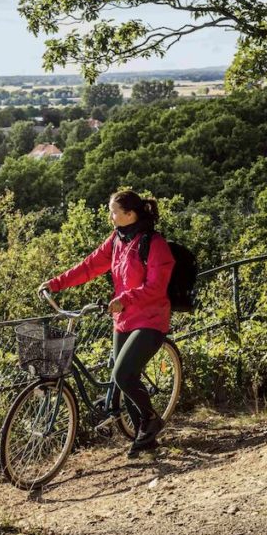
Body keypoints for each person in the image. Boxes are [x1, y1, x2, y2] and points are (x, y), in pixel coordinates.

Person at [39, 189, 175, 457]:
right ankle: (145, 438)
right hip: (124, 318)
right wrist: (55, 283)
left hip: (150, 319)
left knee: (122, 373)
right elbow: (89, 266)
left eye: (114, 212)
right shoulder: (117, 239)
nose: (110, 217)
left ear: (130, 214)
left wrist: (125, 298)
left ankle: (151, 420)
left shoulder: (155, 244)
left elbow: (156, 287)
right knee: (121, 374)